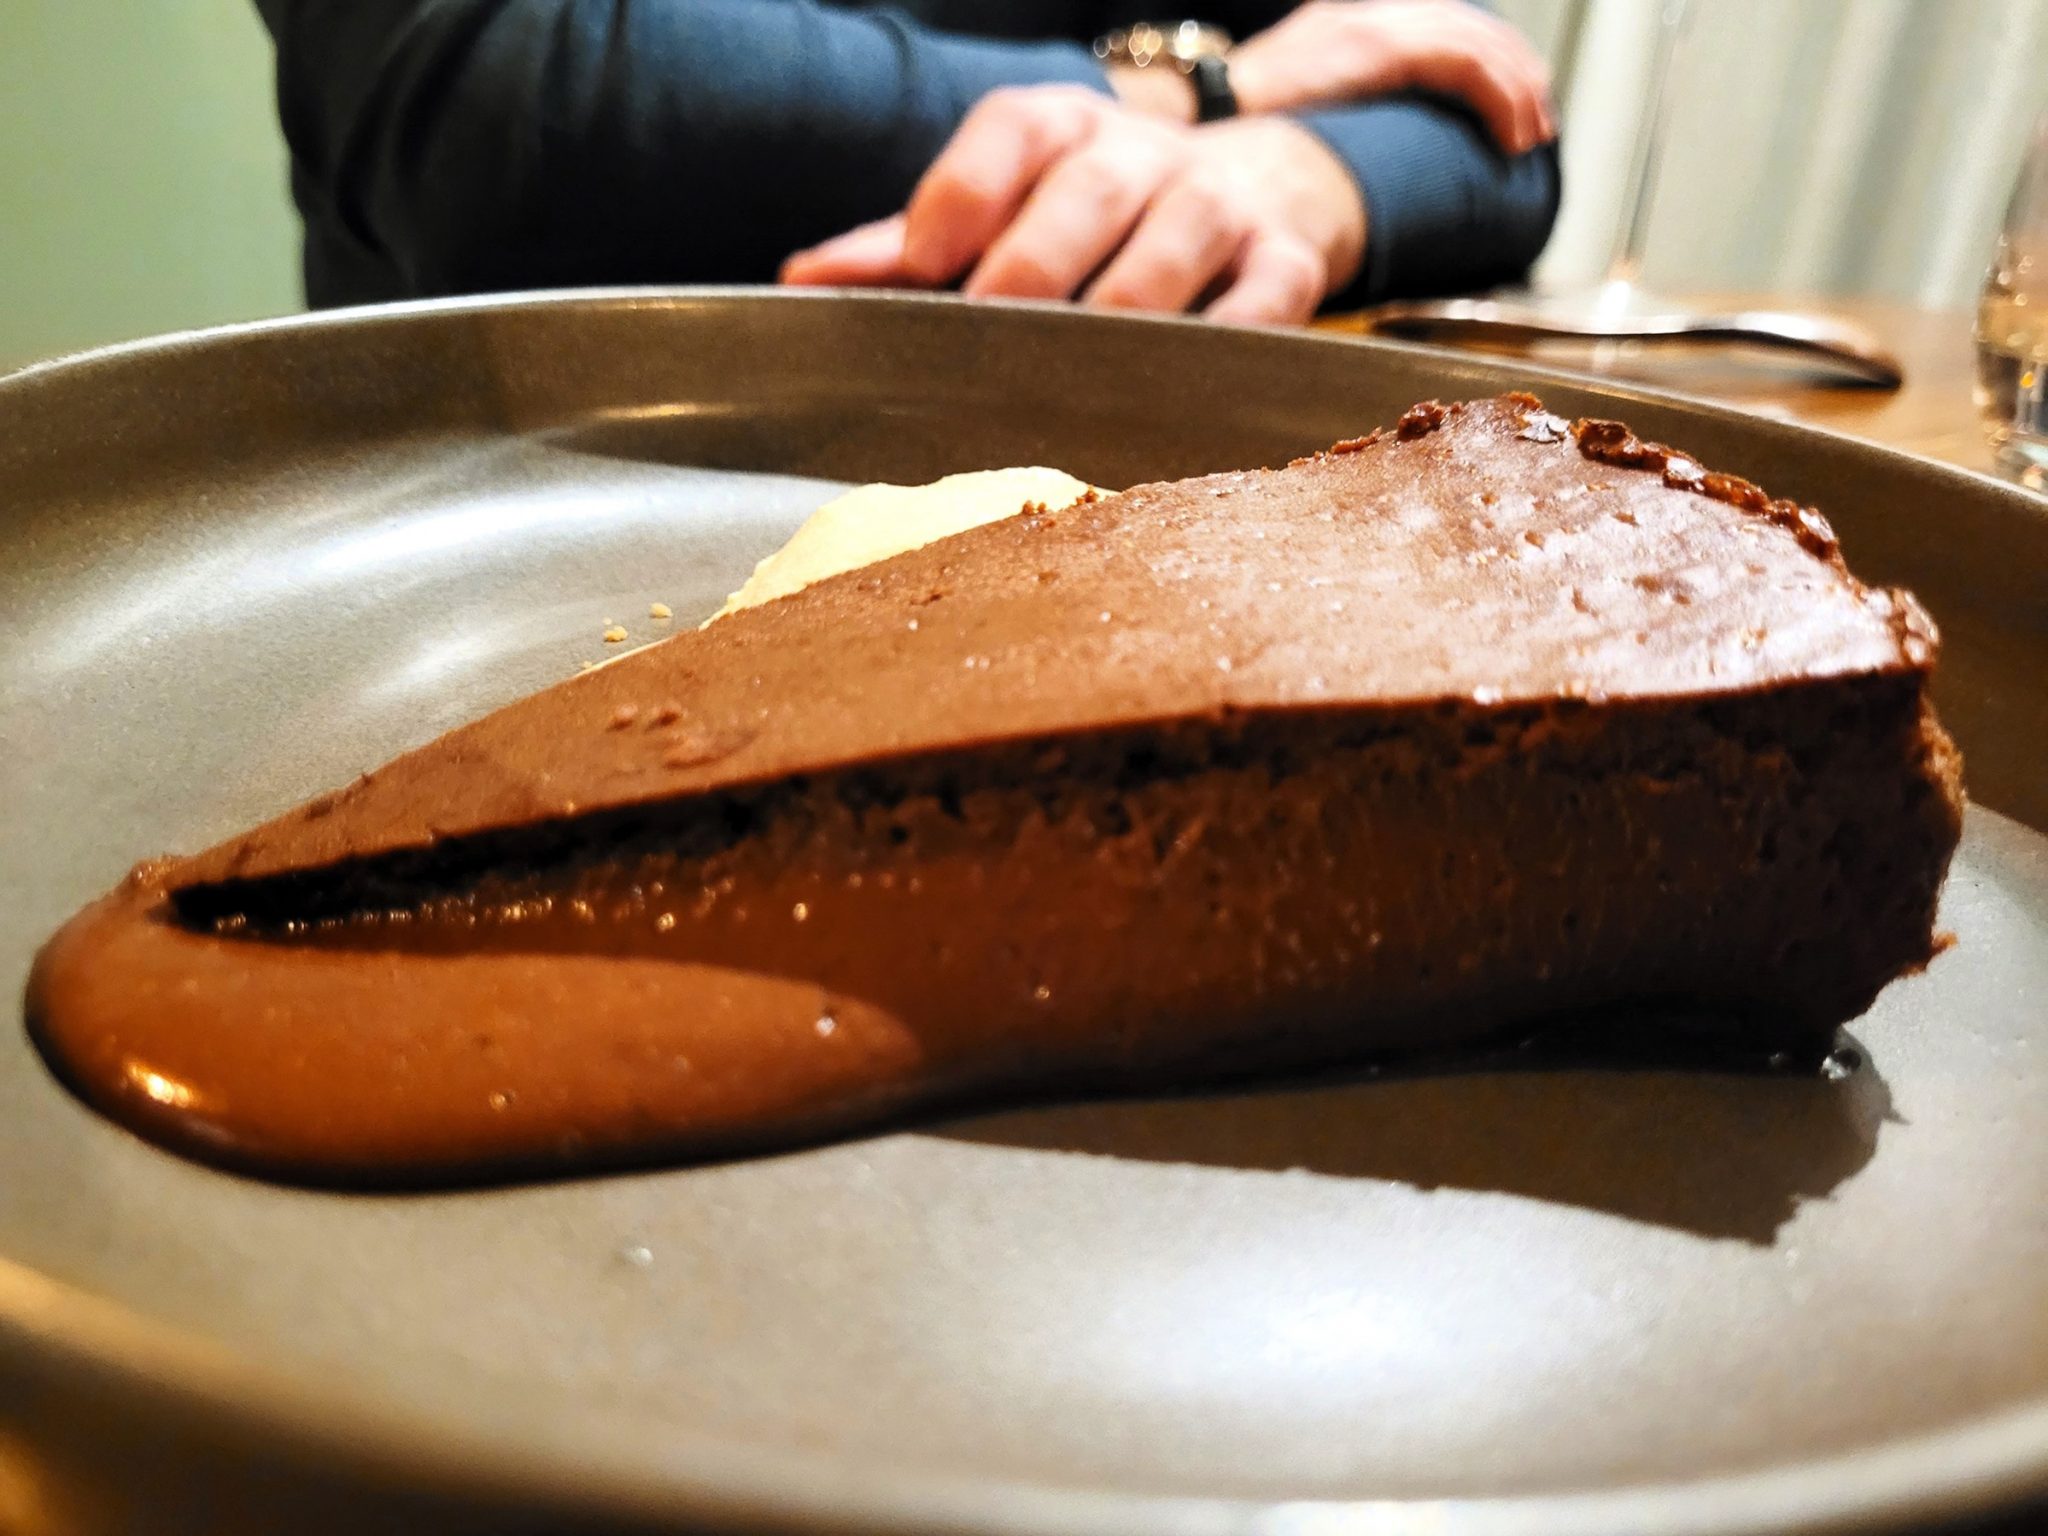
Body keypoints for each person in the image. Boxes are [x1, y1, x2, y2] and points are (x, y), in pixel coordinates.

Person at [255, 1, 1560, 326]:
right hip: (518, 537)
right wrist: (1210, 86)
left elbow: (1491, 112)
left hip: (1147, 526)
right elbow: (488, 100)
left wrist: (1305, 176)